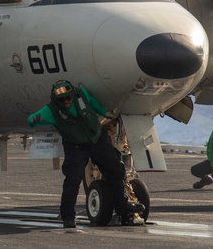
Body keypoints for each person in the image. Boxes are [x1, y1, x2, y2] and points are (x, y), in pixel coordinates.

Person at [27, 80, 144, 228]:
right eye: (61, 100)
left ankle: (122, 207)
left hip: (97, 140)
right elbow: (31, 120)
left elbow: (94, 104)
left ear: (72, 95)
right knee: (72, 181)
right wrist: (34, 121)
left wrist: (106, 113)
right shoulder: (52, 110)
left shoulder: (81, 95)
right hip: (75, 147)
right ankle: (68, 217)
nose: (66, 102)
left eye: (68, 98)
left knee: (116, 171)